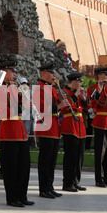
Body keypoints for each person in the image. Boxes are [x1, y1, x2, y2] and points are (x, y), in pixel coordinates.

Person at [0, 60, 34, 207]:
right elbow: (3, 111)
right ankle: (12, 198)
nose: (15, 74)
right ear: (4, 72)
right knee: (11, 168)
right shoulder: (0, 89)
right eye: (12, 71)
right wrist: (22, 103)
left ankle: (22, 196)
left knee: (24, 167)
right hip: (9, 131)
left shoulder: (14, 88)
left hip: (20, 130)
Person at [33, 62, 67, 199]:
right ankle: (43, 189)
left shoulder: (52, 88)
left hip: (54, 127)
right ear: (43, 74)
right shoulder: (39, 88)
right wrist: (59, 106)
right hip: (45, 127)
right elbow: (40, 110)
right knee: (45, 161)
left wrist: (61, 100)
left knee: (52, 160)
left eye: (54, 73)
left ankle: (50, 186)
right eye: (51, 73)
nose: (54, 75)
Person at [60, 73, 89, 192]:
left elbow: (86, 106)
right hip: (70, 126)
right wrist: (77, 94)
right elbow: (66, 108)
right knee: (70, 157)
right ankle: (67, 183)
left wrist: (84, 97)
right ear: (73, 82)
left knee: (79, 156)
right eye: (79, 82)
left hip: (80, 127)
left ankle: (76, 181)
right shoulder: (64, 92)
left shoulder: (77, 93)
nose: (81, 84)